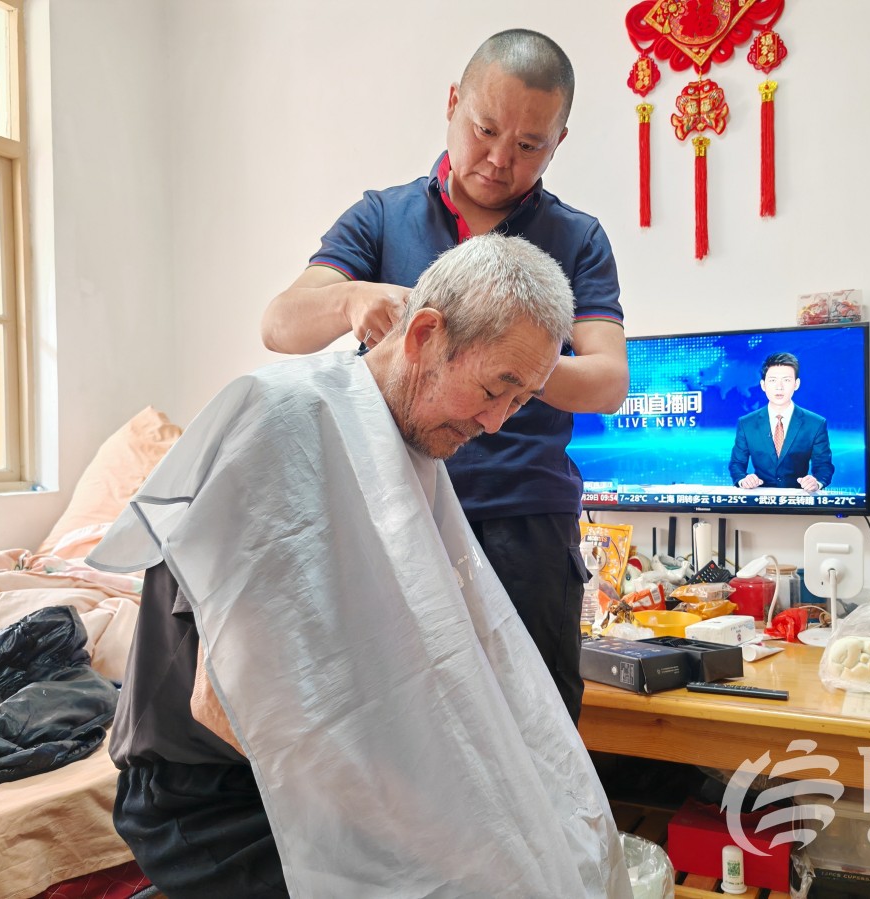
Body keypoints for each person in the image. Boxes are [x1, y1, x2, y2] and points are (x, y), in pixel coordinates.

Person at [88, 234, 631, 899]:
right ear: (425, 334)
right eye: (496, 389)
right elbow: (223, 705)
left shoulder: (407, 439)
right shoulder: (284, 422)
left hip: (306, 771)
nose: (495, 423)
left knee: (548, 841)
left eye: (520, 403)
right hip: (210, 794)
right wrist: (423, 830)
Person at [260, 29, 628, 724]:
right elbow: (280, 322)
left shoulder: (577, 239)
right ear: (453, 103)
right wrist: (349, 300)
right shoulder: (382, 217)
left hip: (524, 521)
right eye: (485, 130)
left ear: (559, 142)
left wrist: (503, 364)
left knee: (534, 727)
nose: (500, 159)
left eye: (529, 145)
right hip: (388, 512)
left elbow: (608, 381)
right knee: (390, 727)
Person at [728, 352, 834, 492]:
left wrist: (817, 482)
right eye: (772, 380)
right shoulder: (746, 423)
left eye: (786, 380)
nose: (779, 387)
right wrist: (743, 479)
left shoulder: (815, 423)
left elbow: (824, 466)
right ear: (763, 385)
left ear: (796, 384)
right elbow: (736, 464)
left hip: (799, 499)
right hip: (760, 499)